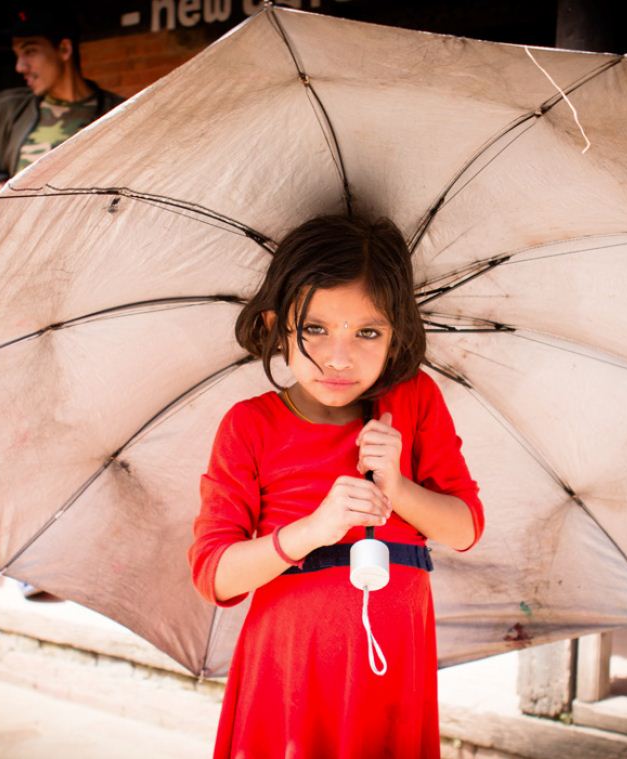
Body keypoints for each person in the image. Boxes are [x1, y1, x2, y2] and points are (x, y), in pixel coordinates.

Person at [189, 215, 485, 757]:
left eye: (368, 332)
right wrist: (312, 531)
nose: (340, 357)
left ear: (396, 336)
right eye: (315, 329)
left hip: (392, 671)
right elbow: (215, 576)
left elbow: (465, 528)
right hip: (292, 677)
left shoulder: (414, 402)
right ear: (279, 326)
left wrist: (397, 486)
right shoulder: (249, 425)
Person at [0, 8, 123, 196]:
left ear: (64, 49)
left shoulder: (120, 114)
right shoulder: (8, 107)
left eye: (30, 51)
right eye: (17, 55)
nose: (19, 67)